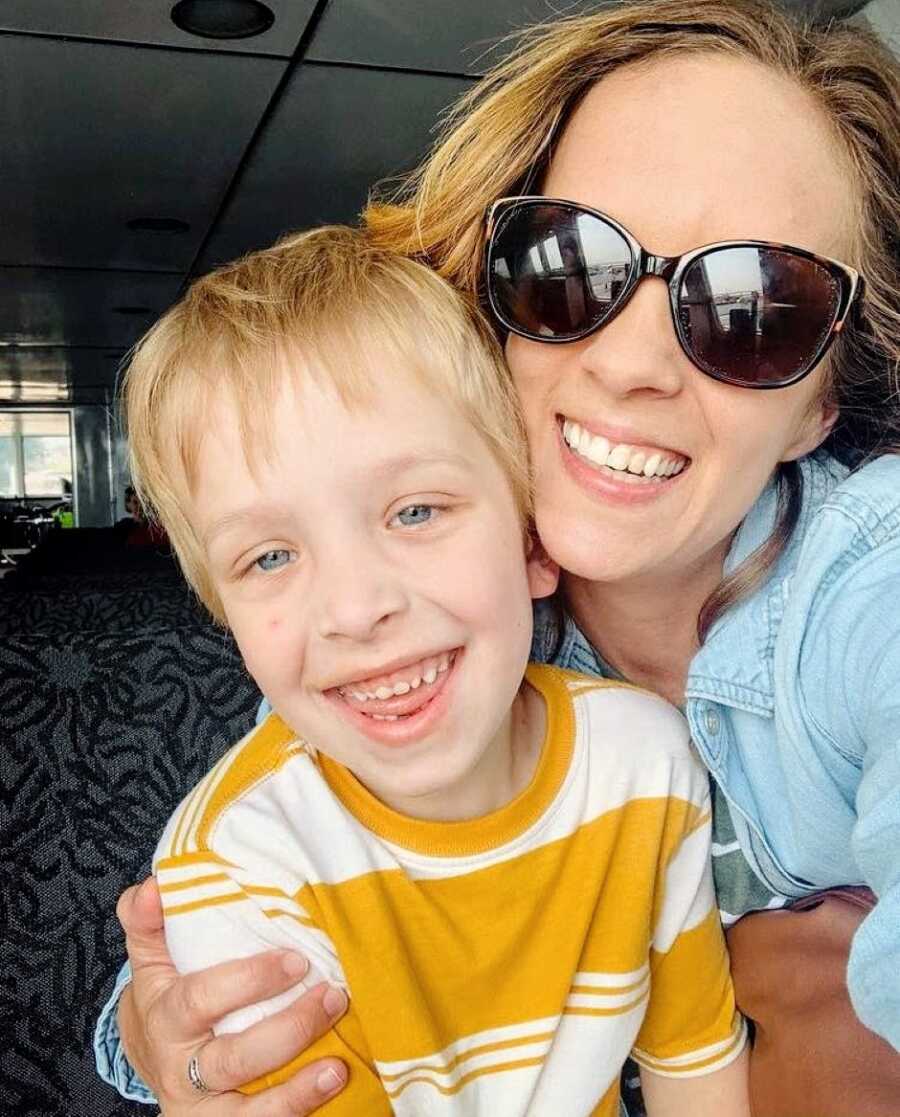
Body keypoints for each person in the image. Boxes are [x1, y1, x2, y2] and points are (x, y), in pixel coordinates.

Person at [96, 1, 900, 1114]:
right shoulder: (429, 624)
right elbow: (272, 871)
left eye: (752, 307)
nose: (633, 365)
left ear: (821, 399)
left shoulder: (873, 586)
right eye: (570, 264)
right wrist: (157, 1028)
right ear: (495, 304)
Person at [104, 225, 751, 1116]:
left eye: (414, 510)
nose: (354, 607)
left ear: (532, 539)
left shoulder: (647, 764)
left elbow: (694, 1063)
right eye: (269, 558)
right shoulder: (243, 867)